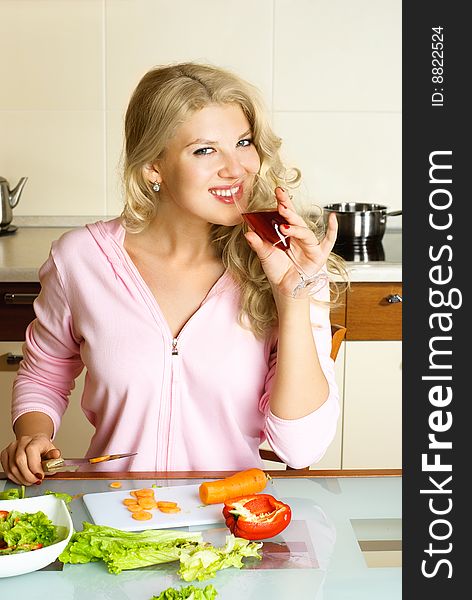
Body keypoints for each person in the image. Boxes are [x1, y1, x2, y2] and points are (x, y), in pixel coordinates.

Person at [1, 62, 346, 486]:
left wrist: (293, 298)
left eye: (243, 142)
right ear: (153, 166)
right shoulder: (82, 259)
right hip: (117, 518)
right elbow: (46, 371)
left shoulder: (288, 265)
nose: (236, 168)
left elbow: (302, 448)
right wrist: (33, 436)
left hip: (232, 528)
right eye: (205, 150)